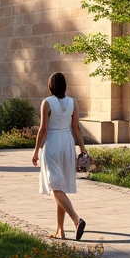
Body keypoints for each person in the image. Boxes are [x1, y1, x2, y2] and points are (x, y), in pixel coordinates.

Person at [31, 71, 87, 241]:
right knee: (59, 186)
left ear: (50, 86)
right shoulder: (72, 102)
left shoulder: (46, 103)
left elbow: (43, 129)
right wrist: (83, 150)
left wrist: (35, 151)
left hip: (53, 142)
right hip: (68, 143)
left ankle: (77, 221)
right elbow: (76, 128)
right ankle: (60, 230)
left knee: (55, 186)